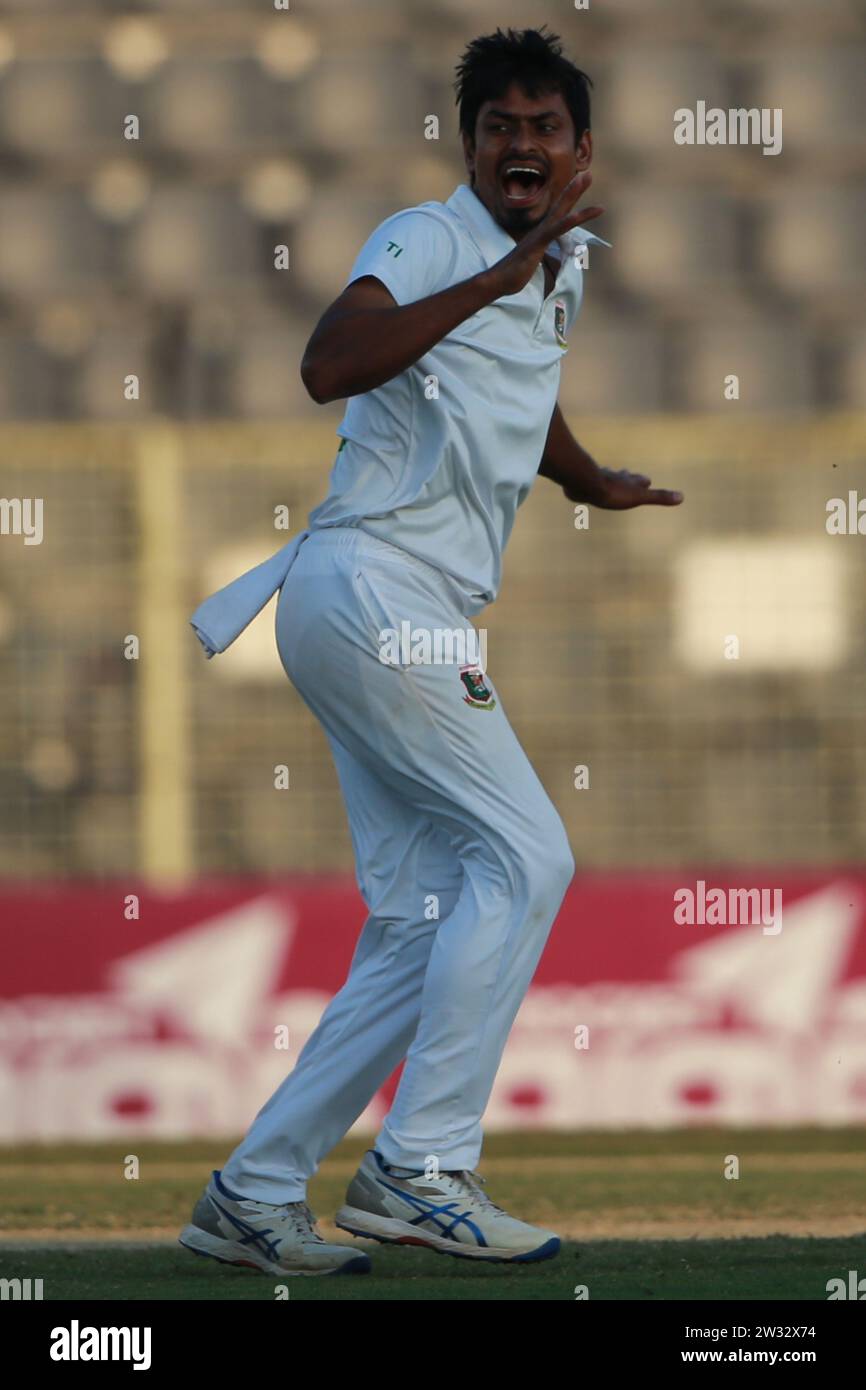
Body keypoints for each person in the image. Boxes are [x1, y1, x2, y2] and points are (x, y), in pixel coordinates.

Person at [181, 25, 682, 1277]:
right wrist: (495, 275)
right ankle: (420, 1167)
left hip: (389, 606)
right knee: (527, 853)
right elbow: (326, 363)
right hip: (370, 589)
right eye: (498, 128)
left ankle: (255, 1190)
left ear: (579, 150)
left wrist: (584, 479)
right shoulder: (429, 240)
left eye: (541, 128)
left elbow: (519, 386)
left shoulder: (549, 261)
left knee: (416, 920)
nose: (520, 146)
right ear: (469, 149)